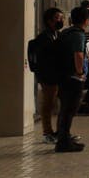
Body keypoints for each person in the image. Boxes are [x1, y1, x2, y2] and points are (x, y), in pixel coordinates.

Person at [53, 7, 89, 152]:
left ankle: (64, 138)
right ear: (86, 20)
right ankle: (63, 142)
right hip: (72, 77)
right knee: (69, 109)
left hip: (62, 76)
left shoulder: (66, 32)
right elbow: (78, 55)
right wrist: (80, 73)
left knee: (65, 109)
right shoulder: (78, 35)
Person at [28, 8, 65, 143]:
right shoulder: (44, 38)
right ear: (49, 21)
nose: (60, 20)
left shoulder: (56, 34)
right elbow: (47, 58)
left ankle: (55, 132)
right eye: (57, 18)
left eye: (61, 18)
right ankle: (47, 132)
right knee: (48, 103)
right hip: (47, 75)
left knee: (52, 103)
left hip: (54, 75)